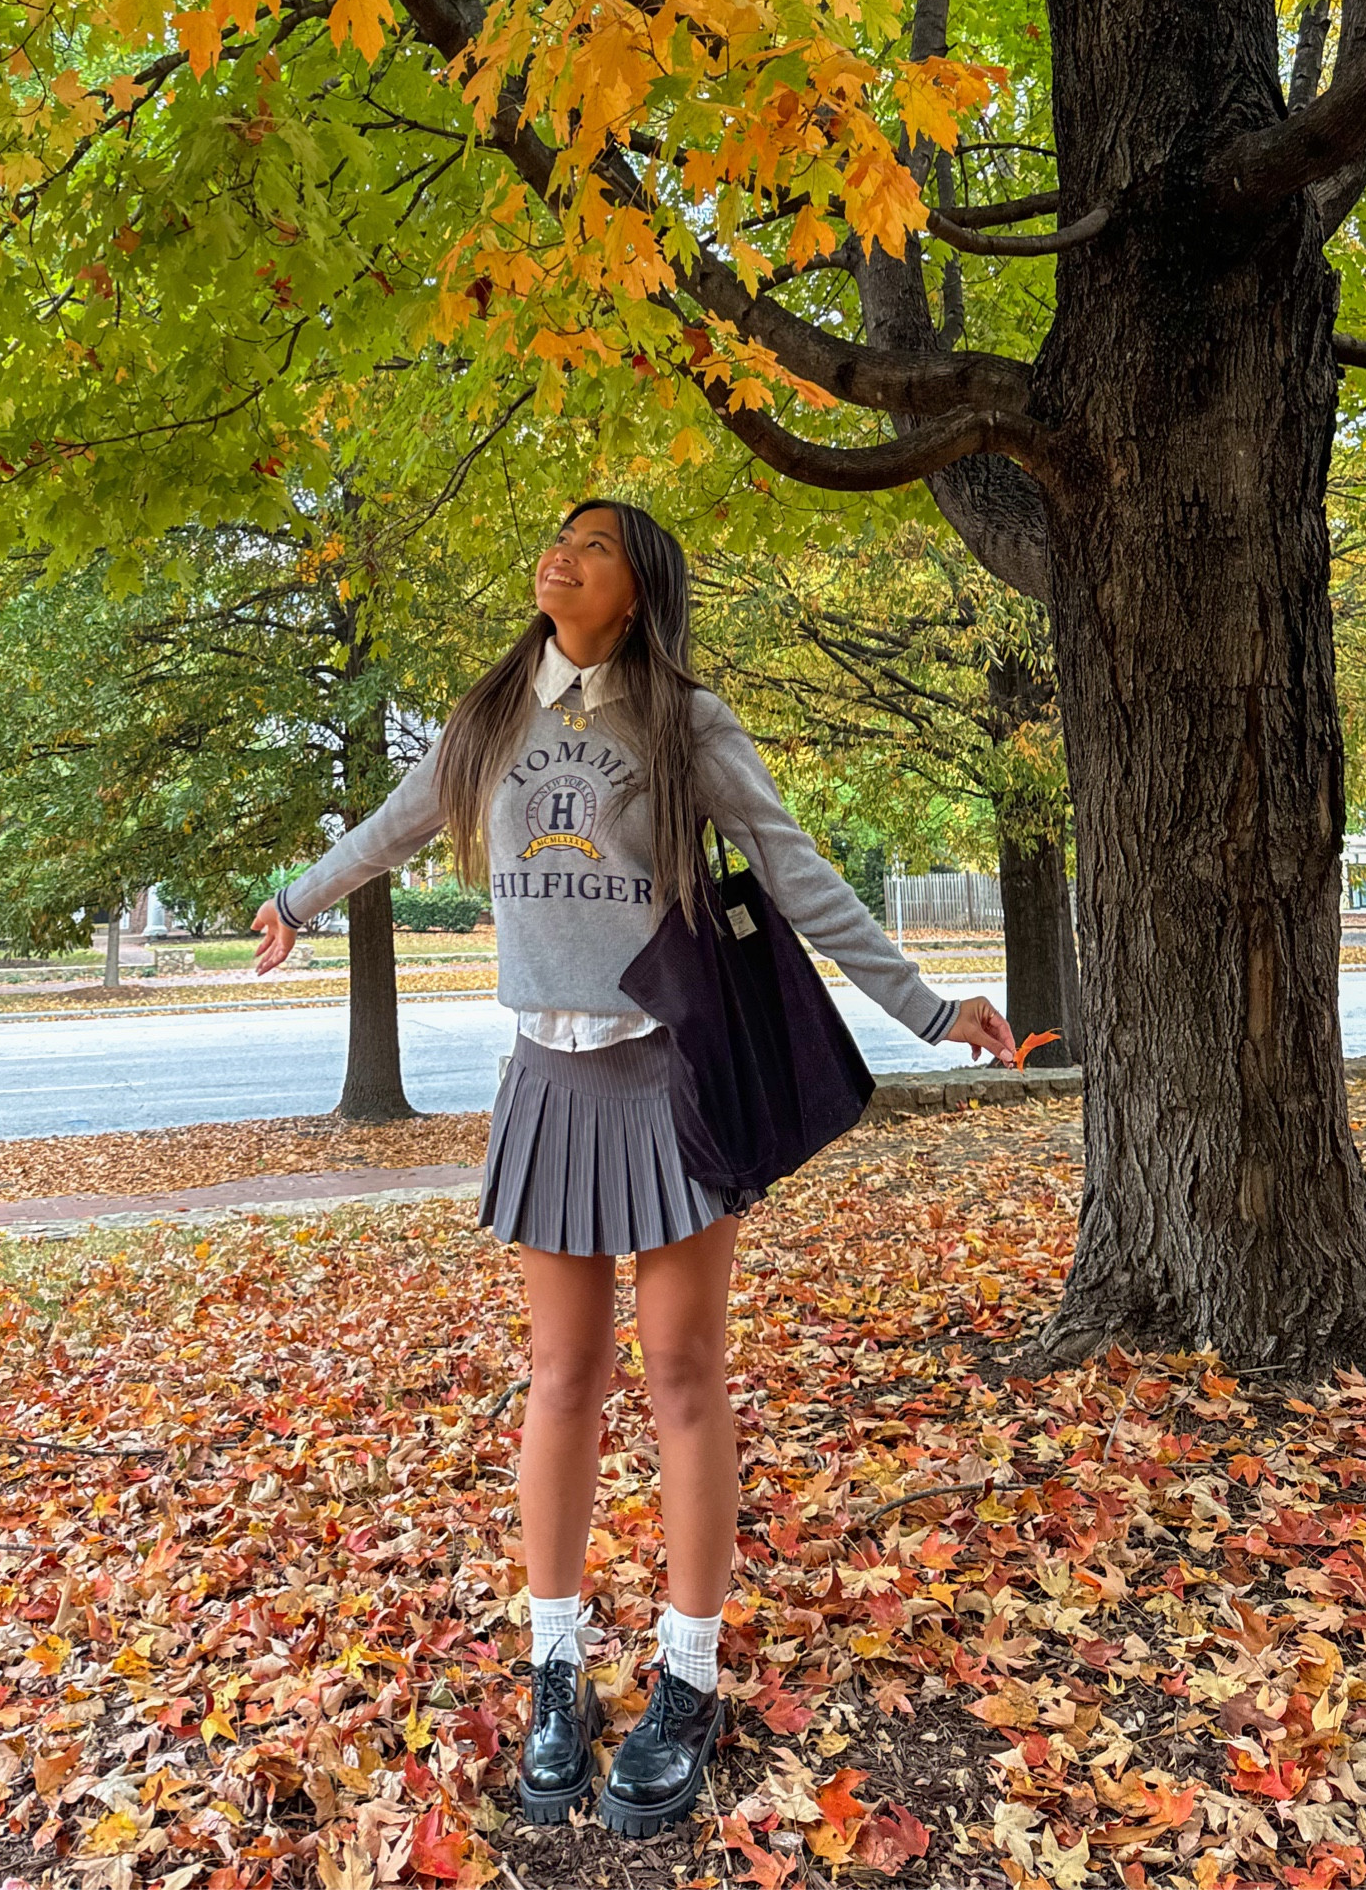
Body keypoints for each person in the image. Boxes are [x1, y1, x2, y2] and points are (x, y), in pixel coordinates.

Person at [252, 500, 1016, 1838]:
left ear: (639, 586)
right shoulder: (494, 715)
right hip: (547, 1084)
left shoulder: (685, 723)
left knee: (680, 1377)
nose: (563, 556)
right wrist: (296, 900)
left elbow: (798, 874)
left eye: (595, 547)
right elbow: (387, 825)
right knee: (560, 1378)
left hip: (670, 1080)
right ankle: (558, 1673)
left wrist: (934, 1011)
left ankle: (687, 1677)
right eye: (556, 539)